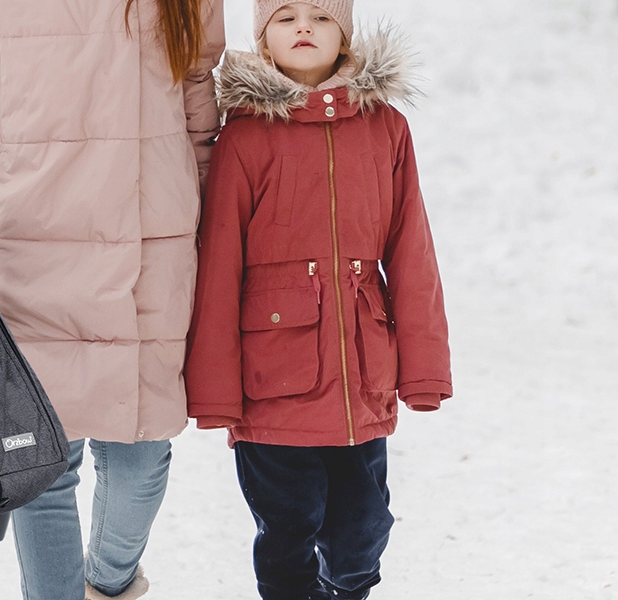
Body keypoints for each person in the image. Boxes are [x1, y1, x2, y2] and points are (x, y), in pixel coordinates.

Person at [0, 1, 224, 598]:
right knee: (43, 456)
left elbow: (196, 74)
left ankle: (109, 581)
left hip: (152, 226)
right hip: (30, 220)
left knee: (142, 451)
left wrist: (196, 177)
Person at [184, 1, 452, 599]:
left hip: (363, 378)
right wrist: (215, 391)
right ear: (264, 40)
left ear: (345, 36)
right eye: (286, 17)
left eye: (321, 17)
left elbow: (412, 251)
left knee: (363, 532)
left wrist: (424, 371)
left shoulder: (386, 128)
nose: (304, 27)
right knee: (287, 531)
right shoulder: (244, 138)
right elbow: (219, 266)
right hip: (273, 384)